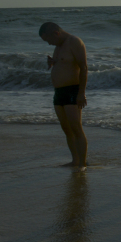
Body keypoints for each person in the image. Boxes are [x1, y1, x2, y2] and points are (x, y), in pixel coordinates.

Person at [39, 22, 89, 170]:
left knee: (76, 127)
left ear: (56, 33)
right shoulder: (58, 46)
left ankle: (83, 163)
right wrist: (53, 62)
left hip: (72, 90)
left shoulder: (75, 42)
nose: (49, 43)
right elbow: (66, 64)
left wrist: (81, 93)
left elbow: (84, 68)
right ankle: (75, 160)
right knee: (66, 129)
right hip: (59, 92)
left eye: (48, 40)